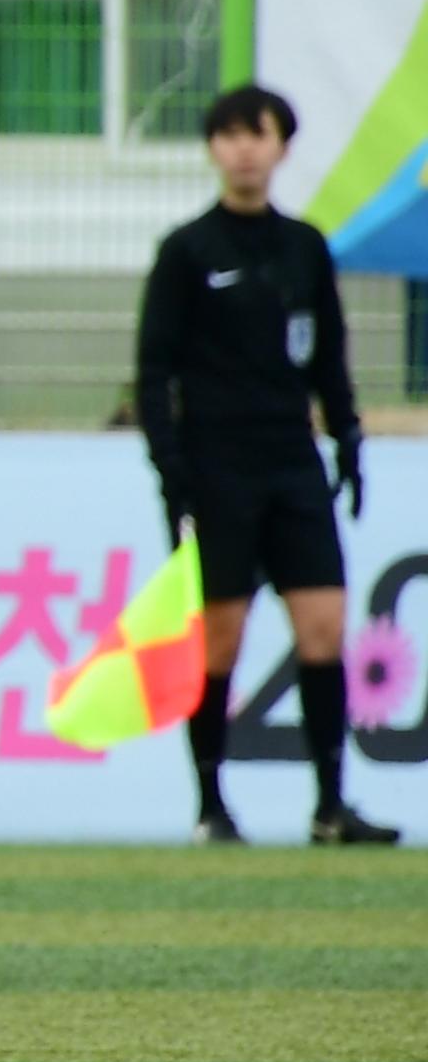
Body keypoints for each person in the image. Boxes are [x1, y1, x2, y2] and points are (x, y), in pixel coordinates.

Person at [138, 85, 399, 847]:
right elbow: (155, 372)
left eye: (259, 134)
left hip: (293, 465)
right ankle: (210, 806)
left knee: (323, 628)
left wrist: (346, 437)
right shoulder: (187, 251)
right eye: (229, 135)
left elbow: (330, 357)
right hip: (220, 470)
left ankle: (330, 806)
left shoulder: (304, 247)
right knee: (221, 639)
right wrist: (171, 468)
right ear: (213, 149)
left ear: (283, 147)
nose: (244, 149)